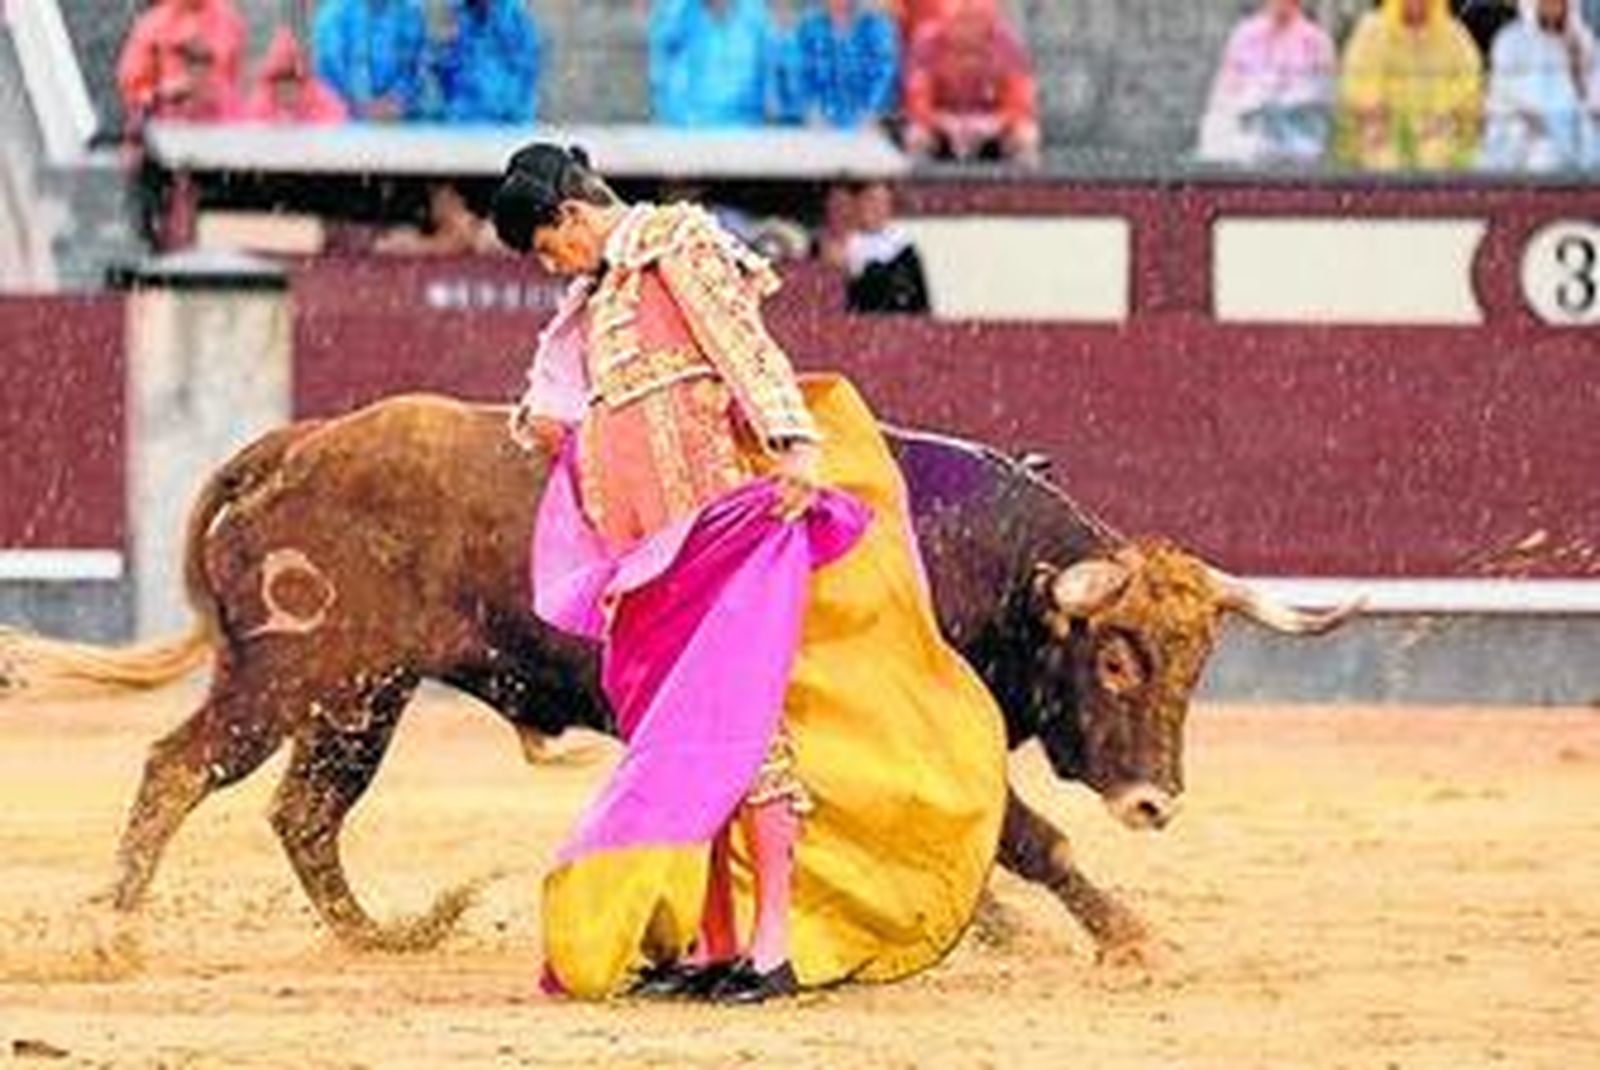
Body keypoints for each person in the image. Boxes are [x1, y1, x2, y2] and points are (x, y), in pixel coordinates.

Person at [491, 143, 1006, 1003]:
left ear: (571, 217)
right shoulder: (599, 294)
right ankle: (714, 943)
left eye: (549, 248)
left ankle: (772, 947)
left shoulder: (674, 243)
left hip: (721, 527)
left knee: (744, 731)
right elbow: (562, 412)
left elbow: (745, 346)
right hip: (655, 551)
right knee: (696, 736)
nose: (553, 267)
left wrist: (796, 442)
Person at [1337, 0, 1484, 170]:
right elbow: (1357, 89)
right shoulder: (1371, 32)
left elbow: (1469, 93)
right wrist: (1374, 116)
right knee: (1383, 158)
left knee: (1437, 154)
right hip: (1382, 133)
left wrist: (1445, 119)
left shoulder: (1455, 36)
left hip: (1441, 133)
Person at [1197, 0, 1338, 165]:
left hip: (1298, 144)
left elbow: (1323, 98)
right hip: (1245, 143)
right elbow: (1226, 89)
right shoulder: (1245, 34)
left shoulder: (1316, 40)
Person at [901, 0, 1041, 166]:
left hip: (991, 128)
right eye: (960, 21)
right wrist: (946, 123)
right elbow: (917, 104)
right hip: (942, 128)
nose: (967, 30)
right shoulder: (925, 41)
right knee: (916, 136)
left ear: (990, 22)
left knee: (1026, 134)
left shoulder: (1007, 42)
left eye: (975, 21)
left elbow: (1021, 105)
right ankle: (920, 188)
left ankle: (1020, 189)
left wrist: (992, 123)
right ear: (945, 21)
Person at [1479, 0, 1600, 170]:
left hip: (1574, 146)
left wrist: (1576, 71)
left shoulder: (1585, 43)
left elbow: (1592, 104)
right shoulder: (1510, 42)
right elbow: (1500, 100)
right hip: (1523, 140)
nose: (1552, 7)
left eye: (1559, 2)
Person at [649, 0, 783, 127]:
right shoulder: (677, 12)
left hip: (745, 126)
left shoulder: (754, 14)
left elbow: (768, 64)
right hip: (688, 127)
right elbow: (661, 62)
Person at [115, 0, 246, 128]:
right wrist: (163, 93)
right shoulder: (152, 24)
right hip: (163, 129)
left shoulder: (229, 22)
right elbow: (132, 90)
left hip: (219, 128)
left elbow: (231, 81)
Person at [779, 0, 901, 129]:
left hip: (869, 126)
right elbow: (797, 74)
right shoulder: (807, 28)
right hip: (817, 126)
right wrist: (812, 112)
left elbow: (885, 75)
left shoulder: (876, 27)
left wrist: (870, 113)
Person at [312, 0, 428, 121]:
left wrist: (397, 98)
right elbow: (329, 71)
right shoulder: (332, 14)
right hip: (346, 121)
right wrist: (362, 106)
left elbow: (415, 65)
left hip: (400, 117)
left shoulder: (409, 11)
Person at [428, 0, 541, 124]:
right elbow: (444, 75)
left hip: (506, 122)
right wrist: (442, 54)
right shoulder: (459, 17)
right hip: (462, 121)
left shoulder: (513, 18)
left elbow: (525, 73)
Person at [840, 180, 930, 314]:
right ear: (857, 202)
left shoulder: (904, 247)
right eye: (871, 200)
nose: (877, 208)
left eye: (884, 202)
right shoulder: (846, 242)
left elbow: (919, 300)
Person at [240, 26, 349, 124]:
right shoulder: (260, 105)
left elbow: (336, 123)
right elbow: (251, 130)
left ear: (301, 83)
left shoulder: (319, 100)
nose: (286, 88)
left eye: (291, 80)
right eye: (280, 80)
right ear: (272, 84)